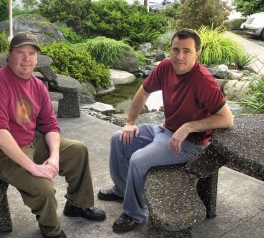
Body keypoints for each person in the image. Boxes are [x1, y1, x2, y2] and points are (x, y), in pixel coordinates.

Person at [0, 31, 106, 238]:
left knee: (78, 150)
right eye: (20, 53)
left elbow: (51, 125)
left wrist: (54, 158)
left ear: (37, 57)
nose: (26, 59)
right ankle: (51, 231)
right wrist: (34, 168)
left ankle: (78, 205)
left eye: (31, 53)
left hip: (28, 141)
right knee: (43, 187)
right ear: (9, 55)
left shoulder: (38, 85)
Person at [97, 29, 234, 233]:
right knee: (119, 138)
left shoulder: (204, 82)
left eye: (186, 51)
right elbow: (144, 91)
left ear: (197, 53)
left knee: (138, 160)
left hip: (190, 144)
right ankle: (122, 188)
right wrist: (130, 122)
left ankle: (135, 213)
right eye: (175, 50)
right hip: (164, 130)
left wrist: (188, 127)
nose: (179, 56)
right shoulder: (165, 66)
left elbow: (227, 119)